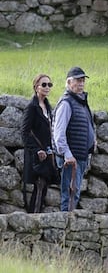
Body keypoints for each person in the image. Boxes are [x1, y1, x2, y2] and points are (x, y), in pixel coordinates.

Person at [53, 66, 95, 211]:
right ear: (69, 83)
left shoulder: (80, 102)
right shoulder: (66, 103)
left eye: (83, 80)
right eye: (78, 80)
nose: (81, 83)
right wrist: (67, 154)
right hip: (71, 158)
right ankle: (66, 226)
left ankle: (68, 225)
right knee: (70, 193)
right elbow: (59, 133)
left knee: (74, 193)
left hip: (79, 156)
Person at [21, 73, 57, 213]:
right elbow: (24, 132)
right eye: (44, 84)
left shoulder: (48, 107)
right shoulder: (32, 107)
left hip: (47, 154)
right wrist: (36, 150)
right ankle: (33, 219)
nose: (47, 87)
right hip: (37, 155)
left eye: (49, 84)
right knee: (39, 186)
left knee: (43, 188)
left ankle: (37, 218)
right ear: (36, 87)